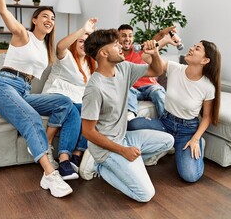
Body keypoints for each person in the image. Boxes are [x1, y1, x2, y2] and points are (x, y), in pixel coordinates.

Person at [0, 0, 81, 198]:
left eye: (53, 18)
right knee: (31, 117)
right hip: (4, 86)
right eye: (45, 16)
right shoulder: (23, 34)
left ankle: (44, 144)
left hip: (23, 91)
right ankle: (50, 174)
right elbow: (2, 9)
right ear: (34, 19)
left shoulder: (45, 48)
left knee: (65, 103)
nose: (50, 20)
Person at [80, 28, 174, 202]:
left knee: (169, 141)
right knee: (145, 195)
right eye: (116, 45)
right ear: (104, 53)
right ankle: (101, 167)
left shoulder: (123, 68)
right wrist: (123, 151)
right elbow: (88, 132)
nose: (121, 46)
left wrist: (154, 54)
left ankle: (129, 164)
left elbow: (156, 71)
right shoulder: (95, 88)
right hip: (106, 149)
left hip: (124, 138)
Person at [128, 36, 222, 183]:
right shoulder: (175, 68)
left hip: (187, 131)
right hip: (165, 122)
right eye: (193, 46)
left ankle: (195, 145)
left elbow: (207, 116)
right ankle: (166, 146)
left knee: (190, 176)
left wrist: (195, 139)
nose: (191, 48)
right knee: (132, 125)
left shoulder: (208, 86)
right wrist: (161, 43)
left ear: (205, 60)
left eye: (197, 48)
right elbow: (146, 57)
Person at [41, 18, 98, 180]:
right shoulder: (66, 56)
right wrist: (83, 29)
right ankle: (64, 159)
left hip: (77, 99)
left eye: (87, 42)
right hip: (57, 97)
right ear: (74, 42)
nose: (83, 45)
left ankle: (77, 154)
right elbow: (59, 46)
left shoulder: (90, 63)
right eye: (80, 41)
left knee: (88, 112)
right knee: (73, 111)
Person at [118, 24, 168, 120]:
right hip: (131, 89)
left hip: (150, 87)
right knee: (124, 89)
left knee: (159, 94)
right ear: (118, 38)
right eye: (123, 35)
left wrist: (162, 33)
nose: (127, 39)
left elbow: (153, 42)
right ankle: (131, 115)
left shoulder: (139, 49)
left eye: (130, 35)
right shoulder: (116, 55)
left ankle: (167, 123)